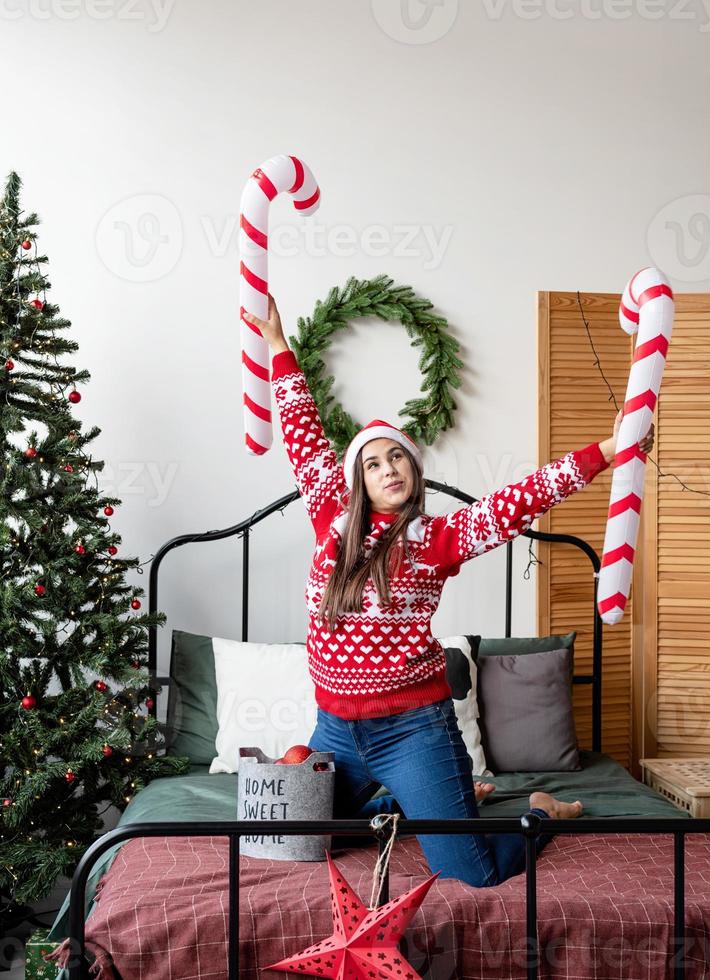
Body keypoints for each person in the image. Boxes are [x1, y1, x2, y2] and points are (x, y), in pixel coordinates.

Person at [243, 295, 655, 888]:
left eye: (399, 459)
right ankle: (418, 808)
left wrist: (607, 453)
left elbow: (519, 501)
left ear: (414, 474)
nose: (389, 469)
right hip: (336, 729)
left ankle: (539, 810)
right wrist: (279, 346)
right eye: (373, 462)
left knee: (473, 873)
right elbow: (303, 430)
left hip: (414, 729)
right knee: (301, 835)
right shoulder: (330, 514)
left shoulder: (436, 538)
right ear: (356, 479)